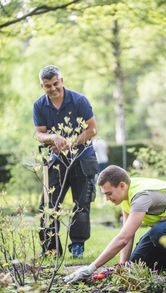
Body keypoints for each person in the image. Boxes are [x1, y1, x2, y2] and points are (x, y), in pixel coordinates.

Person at [64, 165, 166, 283]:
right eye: (105, 194)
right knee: (136, 265)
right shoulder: (126, 195)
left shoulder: (141, 196)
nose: (107, 199)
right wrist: (124, 264)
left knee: (158, 233)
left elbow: (122, 239)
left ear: (122, 185)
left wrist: (91, 268)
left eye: (109, 193)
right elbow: (128, 234)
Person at [33, 65, 99, 258]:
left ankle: (77, 246)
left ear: (61, 81)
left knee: (81, 205)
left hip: (83, 160)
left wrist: (70, 142)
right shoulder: (39, 105)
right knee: (48, 205)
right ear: (42, 86)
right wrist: (53, 138)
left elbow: (93, 130)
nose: (52, 89)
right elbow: (39, 133)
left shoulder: (79, 100)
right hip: (56, 162)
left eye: (55, 84)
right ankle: (51, 249)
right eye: (47, 86)